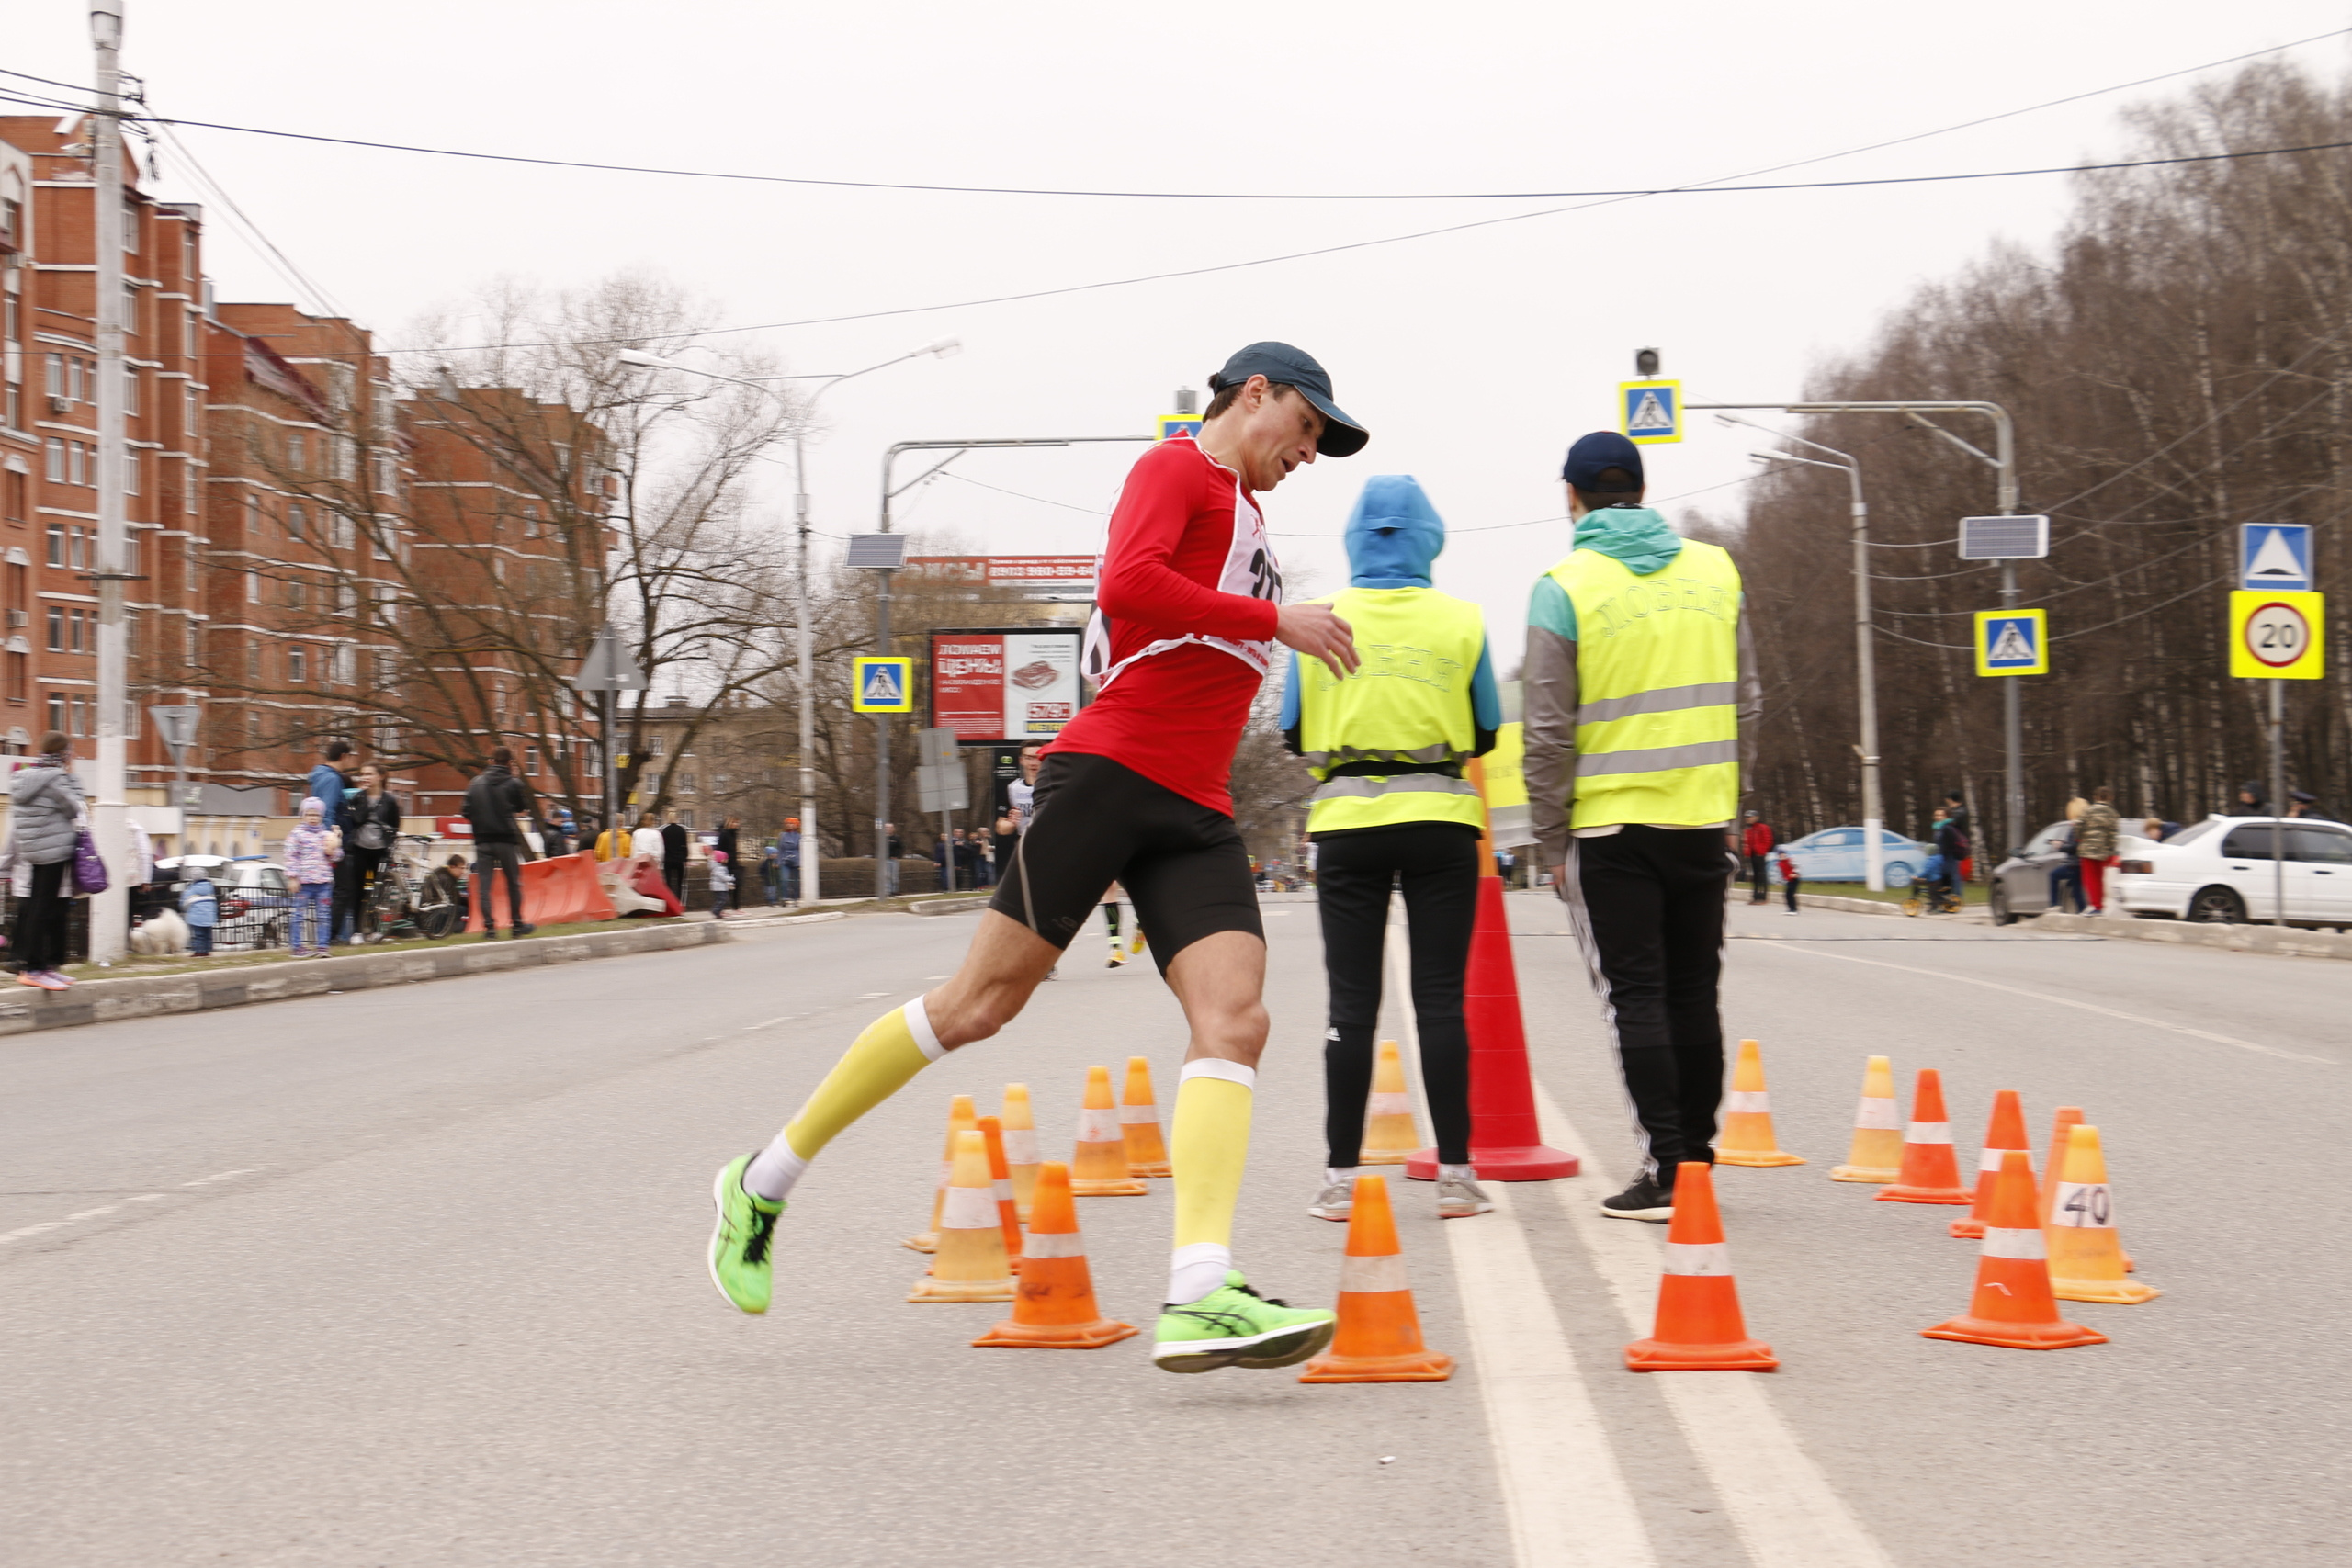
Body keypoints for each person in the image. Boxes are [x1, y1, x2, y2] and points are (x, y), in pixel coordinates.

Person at [707, 340, 1368, 1374]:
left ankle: (1200, 1288)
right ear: (1257, 394)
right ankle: (762, 1181)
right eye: (1308, 426)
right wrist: (1271, 618)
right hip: (1108, 779)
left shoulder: (1246, 514)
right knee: (974, 1008)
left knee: (1234, 1021)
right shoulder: (1172, 470)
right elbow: (1131, 584)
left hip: (1194, 807)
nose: (1311, 450)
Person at [1523, 432, 1759, 1224]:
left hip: (1611, 832)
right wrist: (1724, 793)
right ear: (1642, 490)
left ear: (1573, 496)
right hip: (1700, 820)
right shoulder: (1716, 570)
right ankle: (1695, 1154)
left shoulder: (1564, 586)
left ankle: (1666, 1167)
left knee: (1637, 997)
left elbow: (1549, 733)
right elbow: (1747, 700)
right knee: (1696, 990)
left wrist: (1551, 840)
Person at [1281, 473, 1500, 1223]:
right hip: (1441, 820)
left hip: (1346, 828)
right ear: (1429, 537)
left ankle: (1340, 1180)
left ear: (1352, 538)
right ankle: (1458, 1177)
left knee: (1351, 1003)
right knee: (1440, 1000)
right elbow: (1487, 729)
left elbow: (1291, 731)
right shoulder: (1463, 620)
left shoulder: (1316, 621)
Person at [9, 732, 84, 988]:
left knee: (41, 907)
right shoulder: (55, 779)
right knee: (43, 909)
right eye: (70, 752)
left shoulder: (25, 777)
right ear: (62, 754)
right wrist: (71, 777)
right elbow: (76, 808)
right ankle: (33, 968)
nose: (73, 756)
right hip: (53, 850)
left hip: (35, 850)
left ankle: (42, 967)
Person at [463, 748, 537, 938]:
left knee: (484, 886)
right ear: (510, 763)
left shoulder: (475, 783)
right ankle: (517, 925)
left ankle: (489, 928)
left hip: (482, 841)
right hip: (506, 839)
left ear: (491, 760)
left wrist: (480, 823)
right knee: (513, 883)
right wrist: (516, 780)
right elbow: (521, 807)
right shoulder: (513, 783)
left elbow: (466, 811)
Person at [336, 762, 401, 944]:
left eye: (369, 774)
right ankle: (358, 931)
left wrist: (390, 846)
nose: (365, 777)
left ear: (380, 776)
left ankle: (372, 928)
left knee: (374, 890)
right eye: (363, 774)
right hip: (360, 849)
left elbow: (394, 826)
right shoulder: (358, 798)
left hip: (379, 852)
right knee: (359, 890)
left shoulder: (389, 801)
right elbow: (357, 819)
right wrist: (365, 799)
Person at [283, 796, 342, 958]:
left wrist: (334, 848)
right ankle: (297, 947)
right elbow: (290, 856)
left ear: (321, 816)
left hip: (323, 882)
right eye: (309, 814)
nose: (313, 818)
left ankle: (322, 946)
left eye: (316, 815)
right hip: (304, 883)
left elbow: (337, 856)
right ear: (303, 815)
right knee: (298, 915)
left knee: (323, 915)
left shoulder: (326, 835)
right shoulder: (296, 835)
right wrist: (292, 877)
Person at [2076, 785, 2122, 916]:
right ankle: (2102, 905)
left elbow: (2079, 826)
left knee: (2091, 879)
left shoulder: (2088, 811)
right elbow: (2113, 835)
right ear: (2111, 798)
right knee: (2102, 878)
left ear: (2095, 797)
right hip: (2104, 851)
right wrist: (2111, 850)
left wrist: (2081, 838)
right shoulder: (2113, 814)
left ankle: (2097, 906)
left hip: (2088, 850)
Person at [2047, 797, 2086, 914]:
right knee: (2076, 890)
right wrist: (2064, 844)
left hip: (2074, 864)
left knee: (2053, 875)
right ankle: (2081, 911)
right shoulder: (2084, 825)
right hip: (2080, 863)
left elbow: (2074, 847)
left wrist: (2060, 846)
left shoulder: (2076, 827)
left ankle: (2054, 905)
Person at [307, 740, 355, 832]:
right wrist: (329, 836)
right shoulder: (333, 779)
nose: (349, 762)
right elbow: (327, 811)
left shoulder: (319, 775)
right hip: (331, 835)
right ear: (343, 756)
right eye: (349, 757)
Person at [179, 865, 220, 956]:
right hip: (209, 915)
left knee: (199, 935)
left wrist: (183, 909)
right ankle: (207, 949)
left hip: (196, 916)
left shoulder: (191, 889)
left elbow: (184, 902)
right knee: (207, 933)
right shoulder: (210, 887)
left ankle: (199, 951)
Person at [1739, 809, 1775, 904]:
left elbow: (1768, 840)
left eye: (1750, 817)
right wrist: (1746, 852)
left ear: (1756, 817)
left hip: (1760, 854)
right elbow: (1746, 842)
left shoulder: (1763, 827)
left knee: (1761, 875)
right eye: (1747, 817)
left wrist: (1762, 851)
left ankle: (1763, 897)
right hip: (1751, 854)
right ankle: (1755, 897)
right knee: (1754, 876)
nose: (1748, 819)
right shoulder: (1748, 829)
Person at [661, 814, 690, 903]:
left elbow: (662, 846)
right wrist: (685, 858)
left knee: (668, 882)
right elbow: (685, 845)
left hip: (668, 859)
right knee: (679, 883)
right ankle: (678, 901)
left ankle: (669, 902)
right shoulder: (682, 830)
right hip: (679, 859)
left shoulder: (665, 831)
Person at [777, 817, 802, 903]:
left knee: (796, 880)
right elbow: (780, 849)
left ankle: (796, 897)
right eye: (788, 823)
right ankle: (784, 897)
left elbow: (801, 849)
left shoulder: (800, 836)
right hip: (785, 859)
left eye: (792, 823)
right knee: (784, 879)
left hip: (796, 860)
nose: (790, 825)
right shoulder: (782, 835)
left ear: (797, 825)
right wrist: (779, 861)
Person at [708, 848, 735, 919]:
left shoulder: (719, 867)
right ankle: (716, 911)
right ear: (721, 859)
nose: (727, 860)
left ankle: (718, 912)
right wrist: (731, 878)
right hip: (719, 887)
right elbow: (722, 877)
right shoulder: (719, 868)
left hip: (720, 886)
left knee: (723, 899)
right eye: (725, 859)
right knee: (722, 900)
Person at [1777, 848, 1801, 914]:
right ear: (1778, 856)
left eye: (1783, 855)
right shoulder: (1780, 864)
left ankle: (1794, 909)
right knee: (1786, 895)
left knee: (1790, 894)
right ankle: (1790, 909)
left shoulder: (1790, 860)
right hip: (1789, 880)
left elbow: (1798, 866)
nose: (1782, 856)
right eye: (1780, 855)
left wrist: (1795, 874)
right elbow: (1781, 873)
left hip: (1794, 879)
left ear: (1785, 855)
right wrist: (1779, 882)